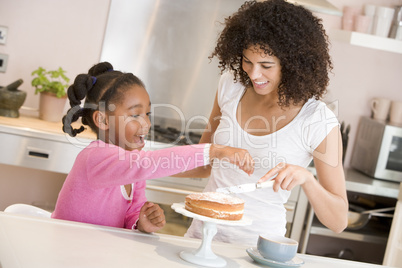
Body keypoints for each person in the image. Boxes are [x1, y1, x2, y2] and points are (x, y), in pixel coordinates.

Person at [183, 0, 348, 246]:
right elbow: (204, 163)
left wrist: (307, 179)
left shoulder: (318, 120)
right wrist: (138, 165)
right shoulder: (230, 86)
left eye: (266, 66)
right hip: (200, 239)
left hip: (259, 250)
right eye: (247, 61)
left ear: (293, 63)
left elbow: (338, 221)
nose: (253, 74)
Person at [52, 62, 254, 233]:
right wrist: (213, 150)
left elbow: (131, 214)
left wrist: (141, 222)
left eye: (147, 114)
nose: (146, 124)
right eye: (135, 115)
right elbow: (147, 164)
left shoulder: (132, 163)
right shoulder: (94, 157)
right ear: (103, 119)